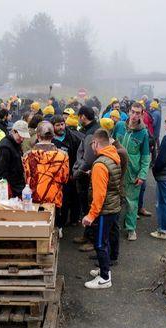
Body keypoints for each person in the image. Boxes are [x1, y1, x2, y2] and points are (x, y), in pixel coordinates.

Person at [82, 129, 122, 289]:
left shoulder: (100, 164)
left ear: (96, 143)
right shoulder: (113, 156)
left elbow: (99, 195)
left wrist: (91, 215)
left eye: (92, 144)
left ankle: (105, 277)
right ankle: (103, 270)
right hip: (114, 206)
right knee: (107, 240)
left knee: (100, 243)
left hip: (104, 210)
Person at [112, 102, 151, 241]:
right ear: (128, 111)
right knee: (114, 199)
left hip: (132, 172)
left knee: (132, 202)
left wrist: (142, 175)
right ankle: (112, 227)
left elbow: (146, 156)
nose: (135, 115)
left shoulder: (143, 132)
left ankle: (130, 228)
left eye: (138, 113)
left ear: (142, 114)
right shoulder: (119, 126)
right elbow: (110, 143)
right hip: (115, 169)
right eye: (133, 112)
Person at [23, 121, 70, 235]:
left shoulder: (28, 156)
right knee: (52, 231)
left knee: (36, 231)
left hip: (34, 198)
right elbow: (65, 179)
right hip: (54, 198)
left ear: (38, 136)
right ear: (53, 136)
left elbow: (26, 178)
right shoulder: (63, 155)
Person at [71, 106, 101, 251]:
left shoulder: (90, 133)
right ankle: (87, 235)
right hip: (92, 174)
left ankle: (92, 240)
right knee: (88, 208)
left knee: (89, 208)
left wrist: (76, 174)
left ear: (83, 116)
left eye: (79, 117)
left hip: (87, 176)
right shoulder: (96, 127)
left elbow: (87, 159)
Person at [52, 115, 84, 231]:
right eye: (57, 125)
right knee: (58, 199)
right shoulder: (49, 138)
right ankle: (58, 221)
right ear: (52, 126)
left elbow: (78, 157)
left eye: (62, 124)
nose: (61, 127)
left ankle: (72, 220)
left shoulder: (73, 138)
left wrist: (73, 172)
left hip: (69, 174)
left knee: (71, 196)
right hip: (53, 176)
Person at [0, 120, 30, 197]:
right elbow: (1, 174)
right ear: (14, 131)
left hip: (18, 188)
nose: (22, 139)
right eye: (20, 136)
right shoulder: (5, 148)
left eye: (24, 137)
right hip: (12, 191)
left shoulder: (16, 144)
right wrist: (7, 193)